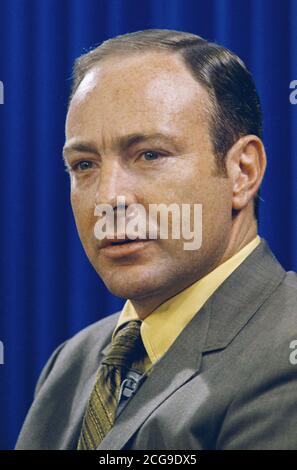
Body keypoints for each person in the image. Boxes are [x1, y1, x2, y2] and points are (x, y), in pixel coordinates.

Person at [16, 29, 297, 450]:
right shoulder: (71, 362)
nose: (108, 198)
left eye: (149, 155)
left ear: (242, 172)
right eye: (84, 164)